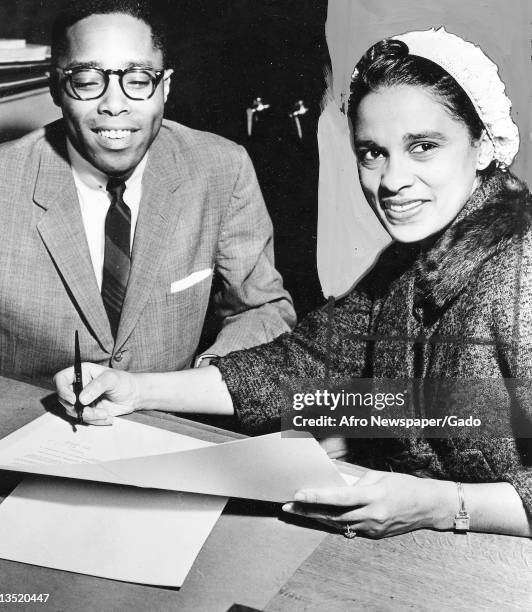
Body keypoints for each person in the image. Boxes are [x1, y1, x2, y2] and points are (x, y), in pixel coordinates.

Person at [56, 28, 532, 539]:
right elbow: (299, 366)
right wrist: (136, 389)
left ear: (483, 146)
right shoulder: (411, 261)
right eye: (373, 152)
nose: (392, 180)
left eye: (423, 146)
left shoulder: (520, 274)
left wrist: (445, 505)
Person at [0, 0, 295, 380]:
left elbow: (262, 309)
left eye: (137, 80)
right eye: (85, 81)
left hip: (169, 423)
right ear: (56, 88)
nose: (114, 105)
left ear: (164, 87)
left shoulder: (222, 168)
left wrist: (204, 380)